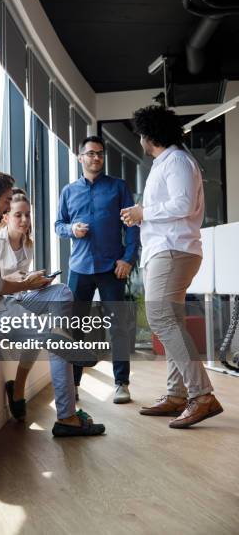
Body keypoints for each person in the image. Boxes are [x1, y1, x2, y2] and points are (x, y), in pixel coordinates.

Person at [0, 171, 105, 437]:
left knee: (61, 296)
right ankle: (67, 412)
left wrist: (29, 282)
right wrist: (25, 284)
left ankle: (66, 402)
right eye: (5, 201)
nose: (6, 207)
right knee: (54, 335)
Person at [120, 105, 223, 428]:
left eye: (140, 134)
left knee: (161, 317)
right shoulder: (168, 162)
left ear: (149, 135)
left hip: (173, 251)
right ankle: (177, 395)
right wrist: (140, 213)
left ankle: (201, 394)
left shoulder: (177, 161)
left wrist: (144, 213)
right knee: (172, 319)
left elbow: (182, 204)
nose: (139, 139)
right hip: (168, 250)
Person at [55, 136, 140, 404]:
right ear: (81, 158)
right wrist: (72, 230)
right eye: (91, 154)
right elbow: (58, 225)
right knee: (76, 327)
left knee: (118, 327)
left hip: (111, 267)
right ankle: (75, 384)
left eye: (100, 154)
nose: (96, 158)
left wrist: (128, 258)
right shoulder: (68, 191)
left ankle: (121, 383)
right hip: (79, 268)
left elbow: (132, 226)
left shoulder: (118, 187)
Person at [0, 188, 87, 422]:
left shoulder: (27, 244)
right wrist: (24, 282)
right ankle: (19, 388)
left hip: (21, 296)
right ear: (5, 216)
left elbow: (22, 283)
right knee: (41, 330)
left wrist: (37, 282)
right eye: (18, 215)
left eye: (27, 215)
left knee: (63, 291)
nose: (24, 220)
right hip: (0, 302)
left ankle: (63, 340)